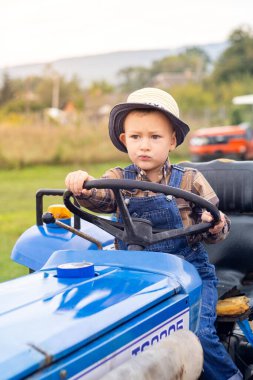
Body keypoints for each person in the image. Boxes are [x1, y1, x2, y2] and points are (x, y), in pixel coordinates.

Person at [65, 87, 242, 380]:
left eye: (154, 137)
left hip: (189, 274)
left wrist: (215, 222)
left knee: (197, 333)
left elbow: (216, 229)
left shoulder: (190, 180)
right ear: (124, 140)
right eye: (136, 137)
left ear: (172, 140)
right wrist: (82, 184)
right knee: (107, 327)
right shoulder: (118, 179)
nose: (144, 146)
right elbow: (98, 196)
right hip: (135, 275)